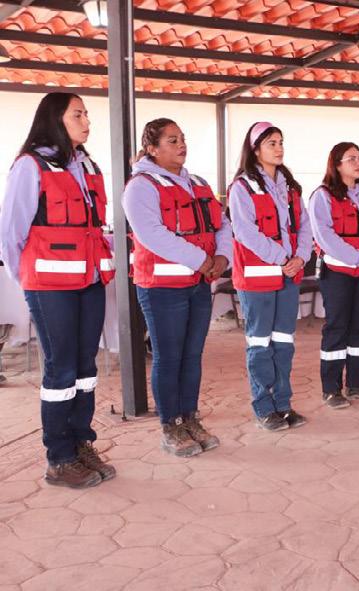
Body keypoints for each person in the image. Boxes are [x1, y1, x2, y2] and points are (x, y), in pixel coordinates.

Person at [1, 92, 116, 487]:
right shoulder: (29, 166)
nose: (87, 122)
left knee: (85, 368)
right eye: (78, 114)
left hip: (89, 281)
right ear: (55, 119)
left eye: (87, 114)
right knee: (61, 368)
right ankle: (59, 458)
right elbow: (11, 233)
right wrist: (28, 282)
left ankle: (82, 443)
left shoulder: (86, 165)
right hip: (50, 287)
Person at [124, 117, 233, 456]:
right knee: (169, 357)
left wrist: (222, 257)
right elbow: (152, 234)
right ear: (152, 149)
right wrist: (201, 260)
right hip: (161, 287)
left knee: (192, 355)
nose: (181, 144)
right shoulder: (140, 186)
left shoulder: (197, 183)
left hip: (198, 283)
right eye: (172, 140)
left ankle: (190, 418)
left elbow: (222, 224)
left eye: (182, 138)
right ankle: (170, 425)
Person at [229, 122, 313, 431]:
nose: (279, 148)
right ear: (255, 150)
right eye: (271, 143)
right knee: (260, 344)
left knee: (284, 344)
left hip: (288, 276)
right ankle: (264, 407)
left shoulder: (290, 187)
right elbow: (245, 231)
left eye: (280, 142)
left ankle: (283, 404)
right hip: (258, 279)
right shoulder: (242, 187)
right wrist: (283, 258)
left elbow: (305, 226)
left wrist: (301, 257)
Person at [309, 142, 359, 407]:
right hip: (338, 273)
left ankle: (357, 383)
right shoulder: (322, 196)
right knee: (337, 327)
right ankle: (331, 388)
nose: (358, 163)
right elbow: (324, 236)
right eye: (351, 158)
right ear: (337, 164)